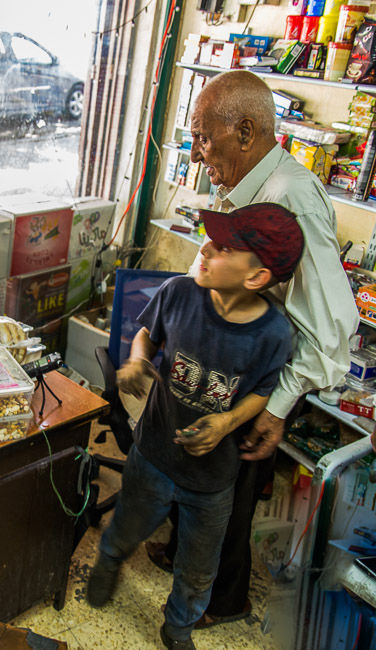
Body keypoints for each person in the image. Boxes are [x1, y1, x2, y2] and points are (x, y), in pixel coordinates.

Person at [143, 69, 359, 627]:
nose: (197, 151)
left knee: (230, 491)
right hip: (217, 357)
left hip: (255, 374)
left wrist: (279, 406)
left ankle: (224, 598)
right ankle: (185, 556)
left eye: (204, 137)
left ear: (245, 131)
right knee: (195, 466)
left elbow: (331, 324)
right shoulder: (243, 185)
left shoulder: (292, 197)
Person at [87, 203, 302, 650]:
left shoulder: (274, 335)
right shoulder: (179, 292)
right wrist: (137, 359)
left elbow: (264, 391)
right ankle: (108, 562)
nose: (205, 247)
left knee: (199, 565)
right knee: (128, 524)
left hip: (213, 478)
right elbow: (149, 332)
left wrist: (226, 422)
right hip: (154, 455)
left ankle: (179, 626)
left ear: (256, 277)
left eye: (223, 248)